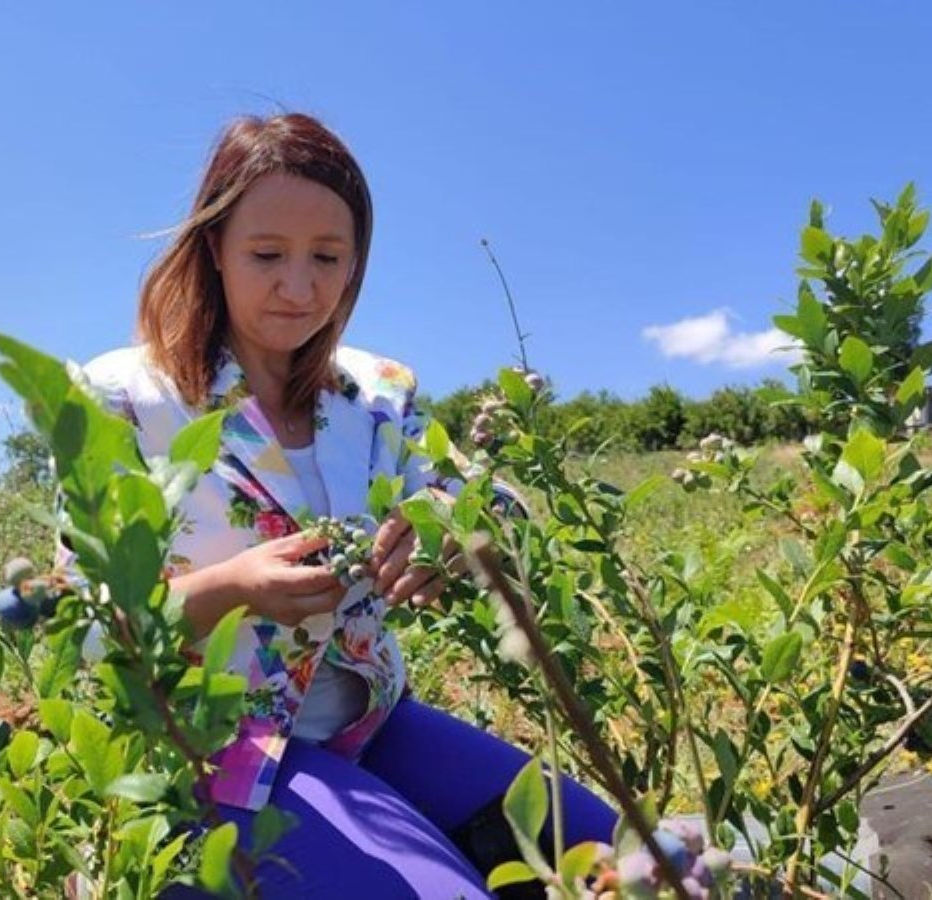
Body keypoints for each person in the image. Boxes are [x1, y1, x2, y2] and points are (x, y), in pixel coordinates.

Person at [79, 113, 616, 898]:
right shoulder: (128, 400)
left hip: (371, 721)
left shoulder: (373, 395)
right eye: (267, 255)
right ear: (214, 251)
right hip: (210, 744)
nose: (299, 288)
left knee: (617, 857)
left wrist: (446, 526)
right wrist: (236, 588)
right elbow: (88, 625)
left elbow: (496, 501)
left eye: (327, 258)